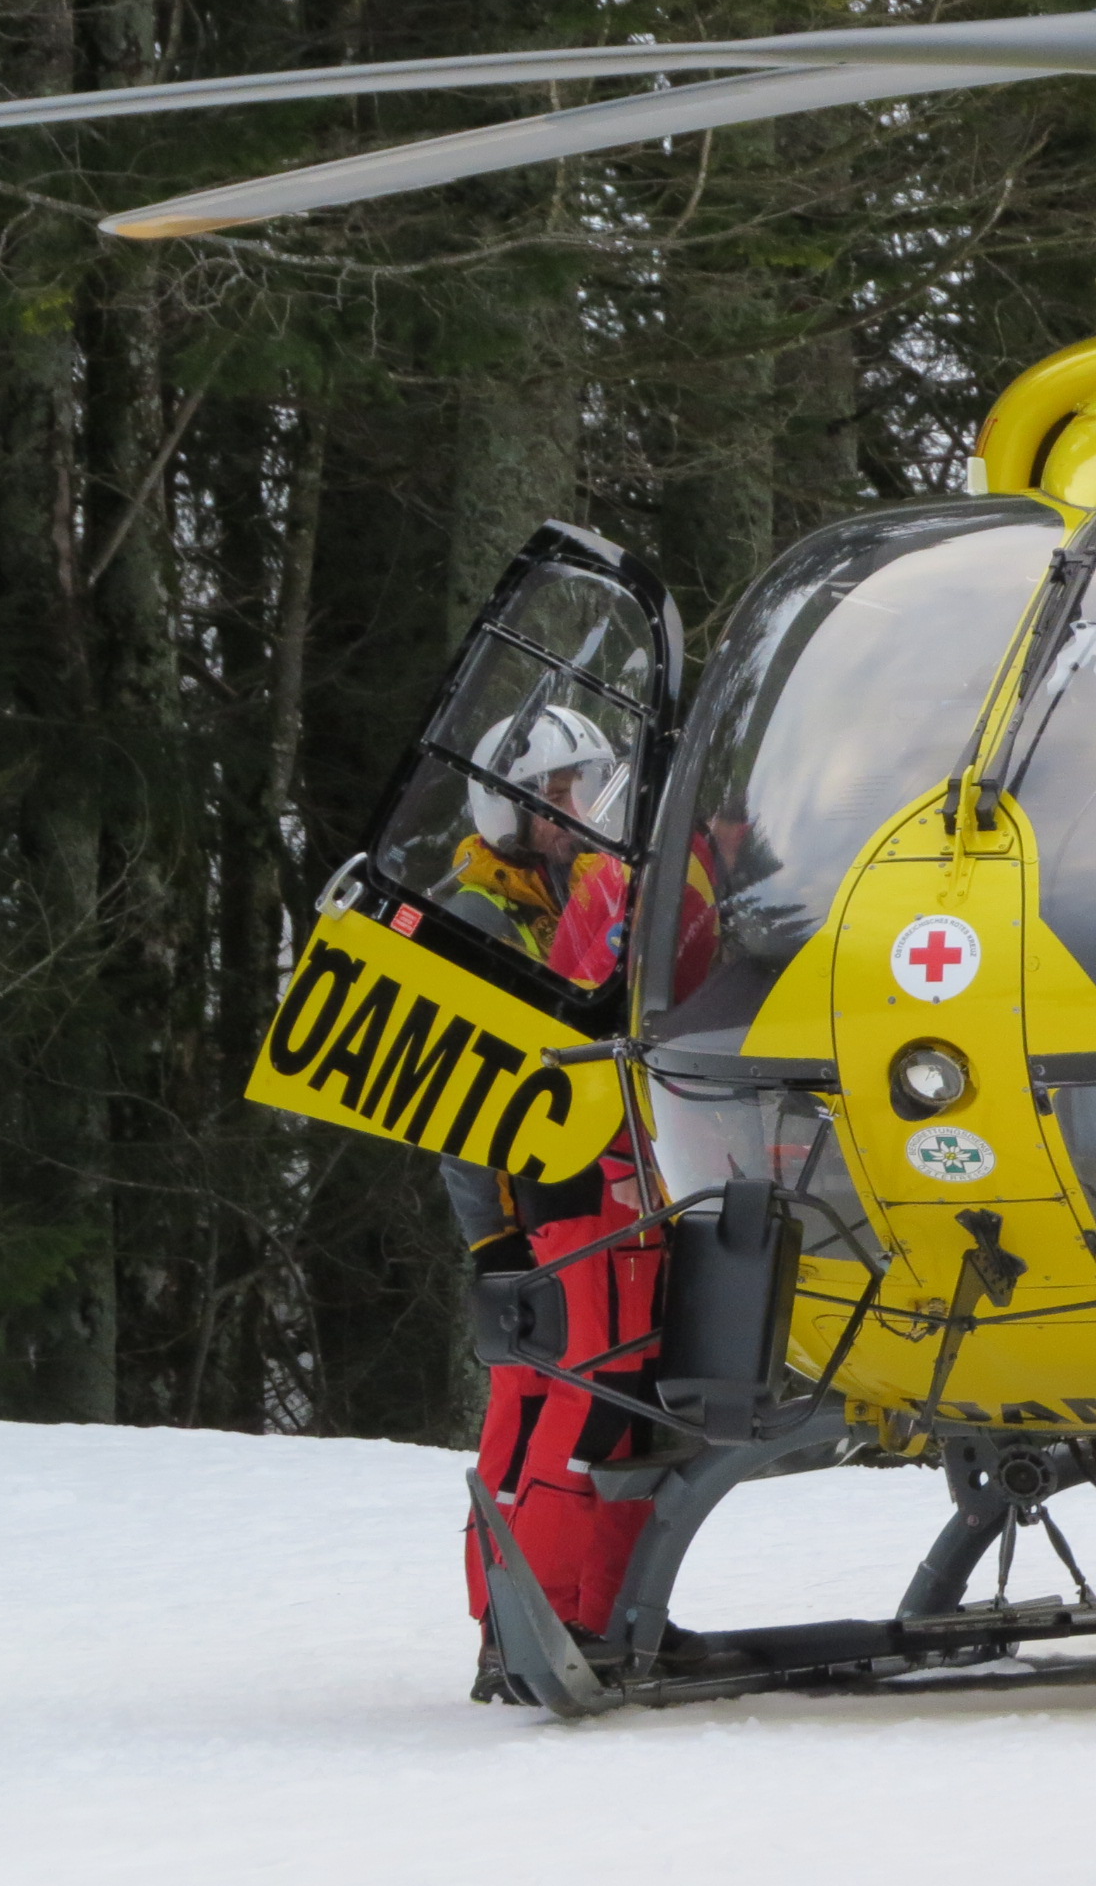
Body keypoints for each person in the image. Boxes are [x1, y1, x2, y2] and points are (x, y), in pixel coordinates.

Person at [438, 708, 666, 1703]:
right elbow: (454, 1099)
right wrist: (493, 1239)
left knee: (612, 1403)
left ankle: (588, 1609)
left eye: (590, 790)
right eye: (567, 797)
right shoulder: (480, 921)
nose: (585, 813)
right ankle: (536, 1616)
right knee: (575, 1402)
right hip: (547, 1201)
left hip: (608, 1184)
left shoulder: (583, 898)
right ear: (519, 810)